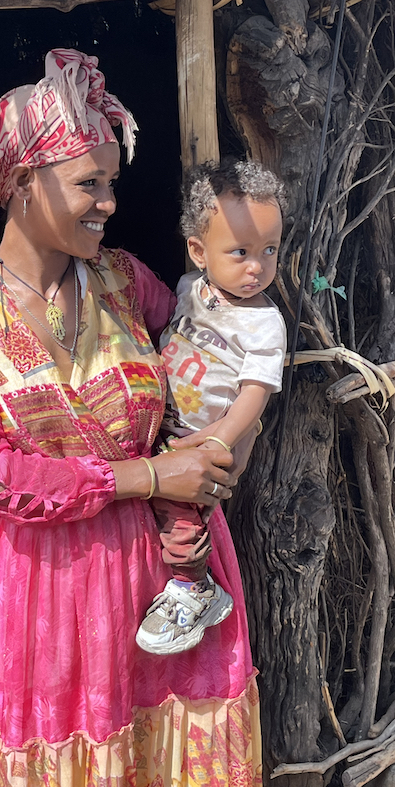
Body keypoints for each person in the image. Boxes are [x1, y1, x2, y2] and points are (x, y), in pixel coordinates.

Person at [0, 49, 262, 787]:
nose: (107, 201)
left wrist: (227, 440)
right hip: (57, 603)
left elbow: (220, 358)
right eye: (87, 183)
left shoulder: (126, 280)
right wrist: (151, 473)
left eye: (112, 182)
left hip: (179, 588)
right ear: (21, 182)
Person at [136, 160, 287, 657]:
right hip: (162, 427)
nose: (256, 267)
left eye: (269, 251)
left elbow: (254, 392)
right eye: (240, 252)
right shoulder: (189, 290)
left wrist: (222, 440)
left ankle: (192, 586)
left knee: (181, 517)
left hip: (203, 440)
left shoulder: (265, 324)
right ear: (199, 252)